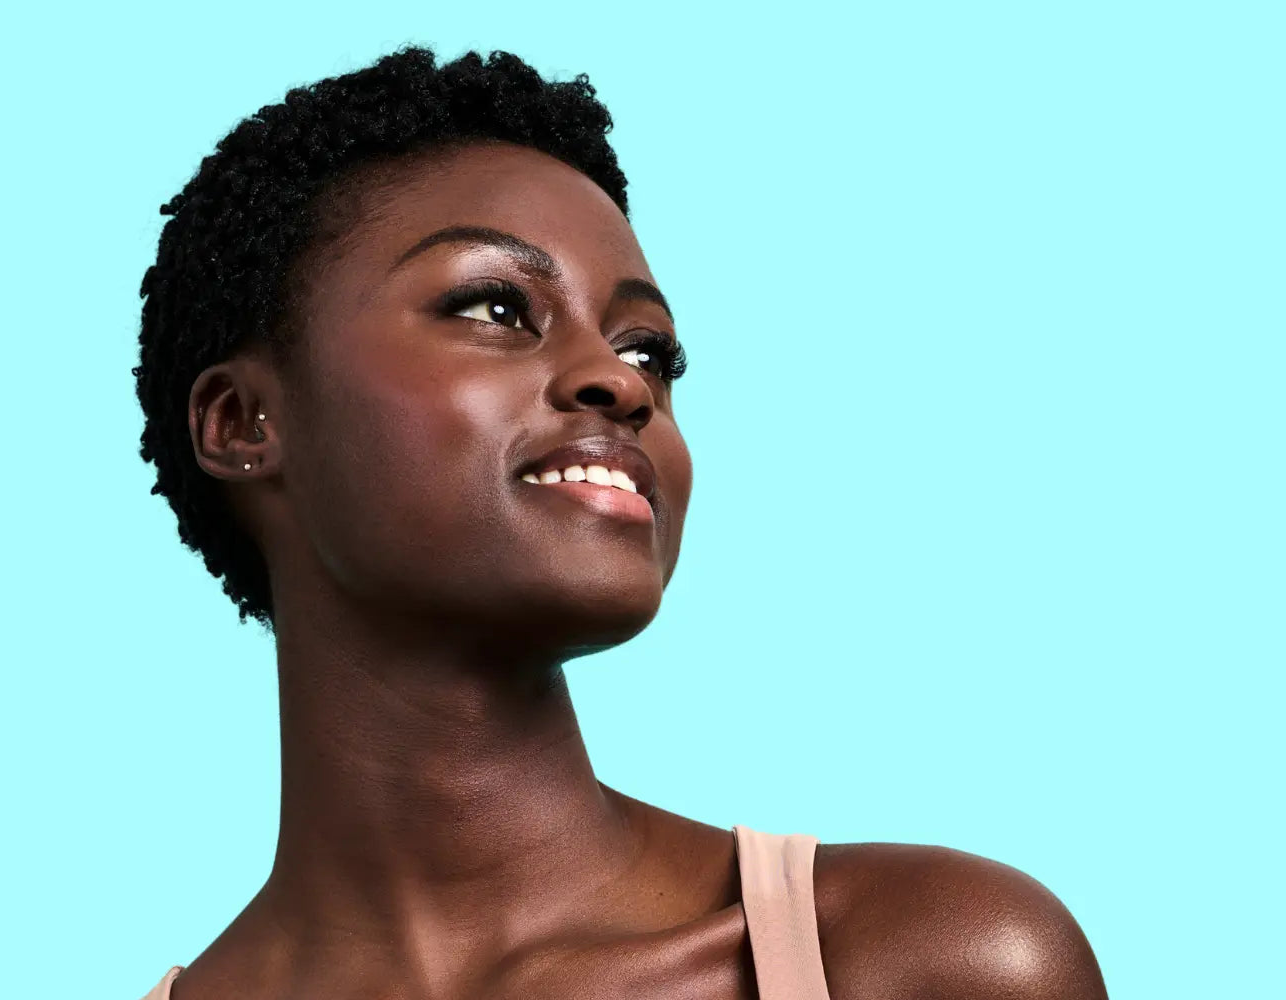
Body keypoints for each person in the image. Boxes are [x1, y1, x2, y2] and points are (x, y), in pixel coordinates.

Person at [132, 47, 1106, 1000]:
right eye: (496, 306)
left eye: (652, 350)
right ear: (242, 422)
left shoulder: (924, 960)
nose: (621, 379)